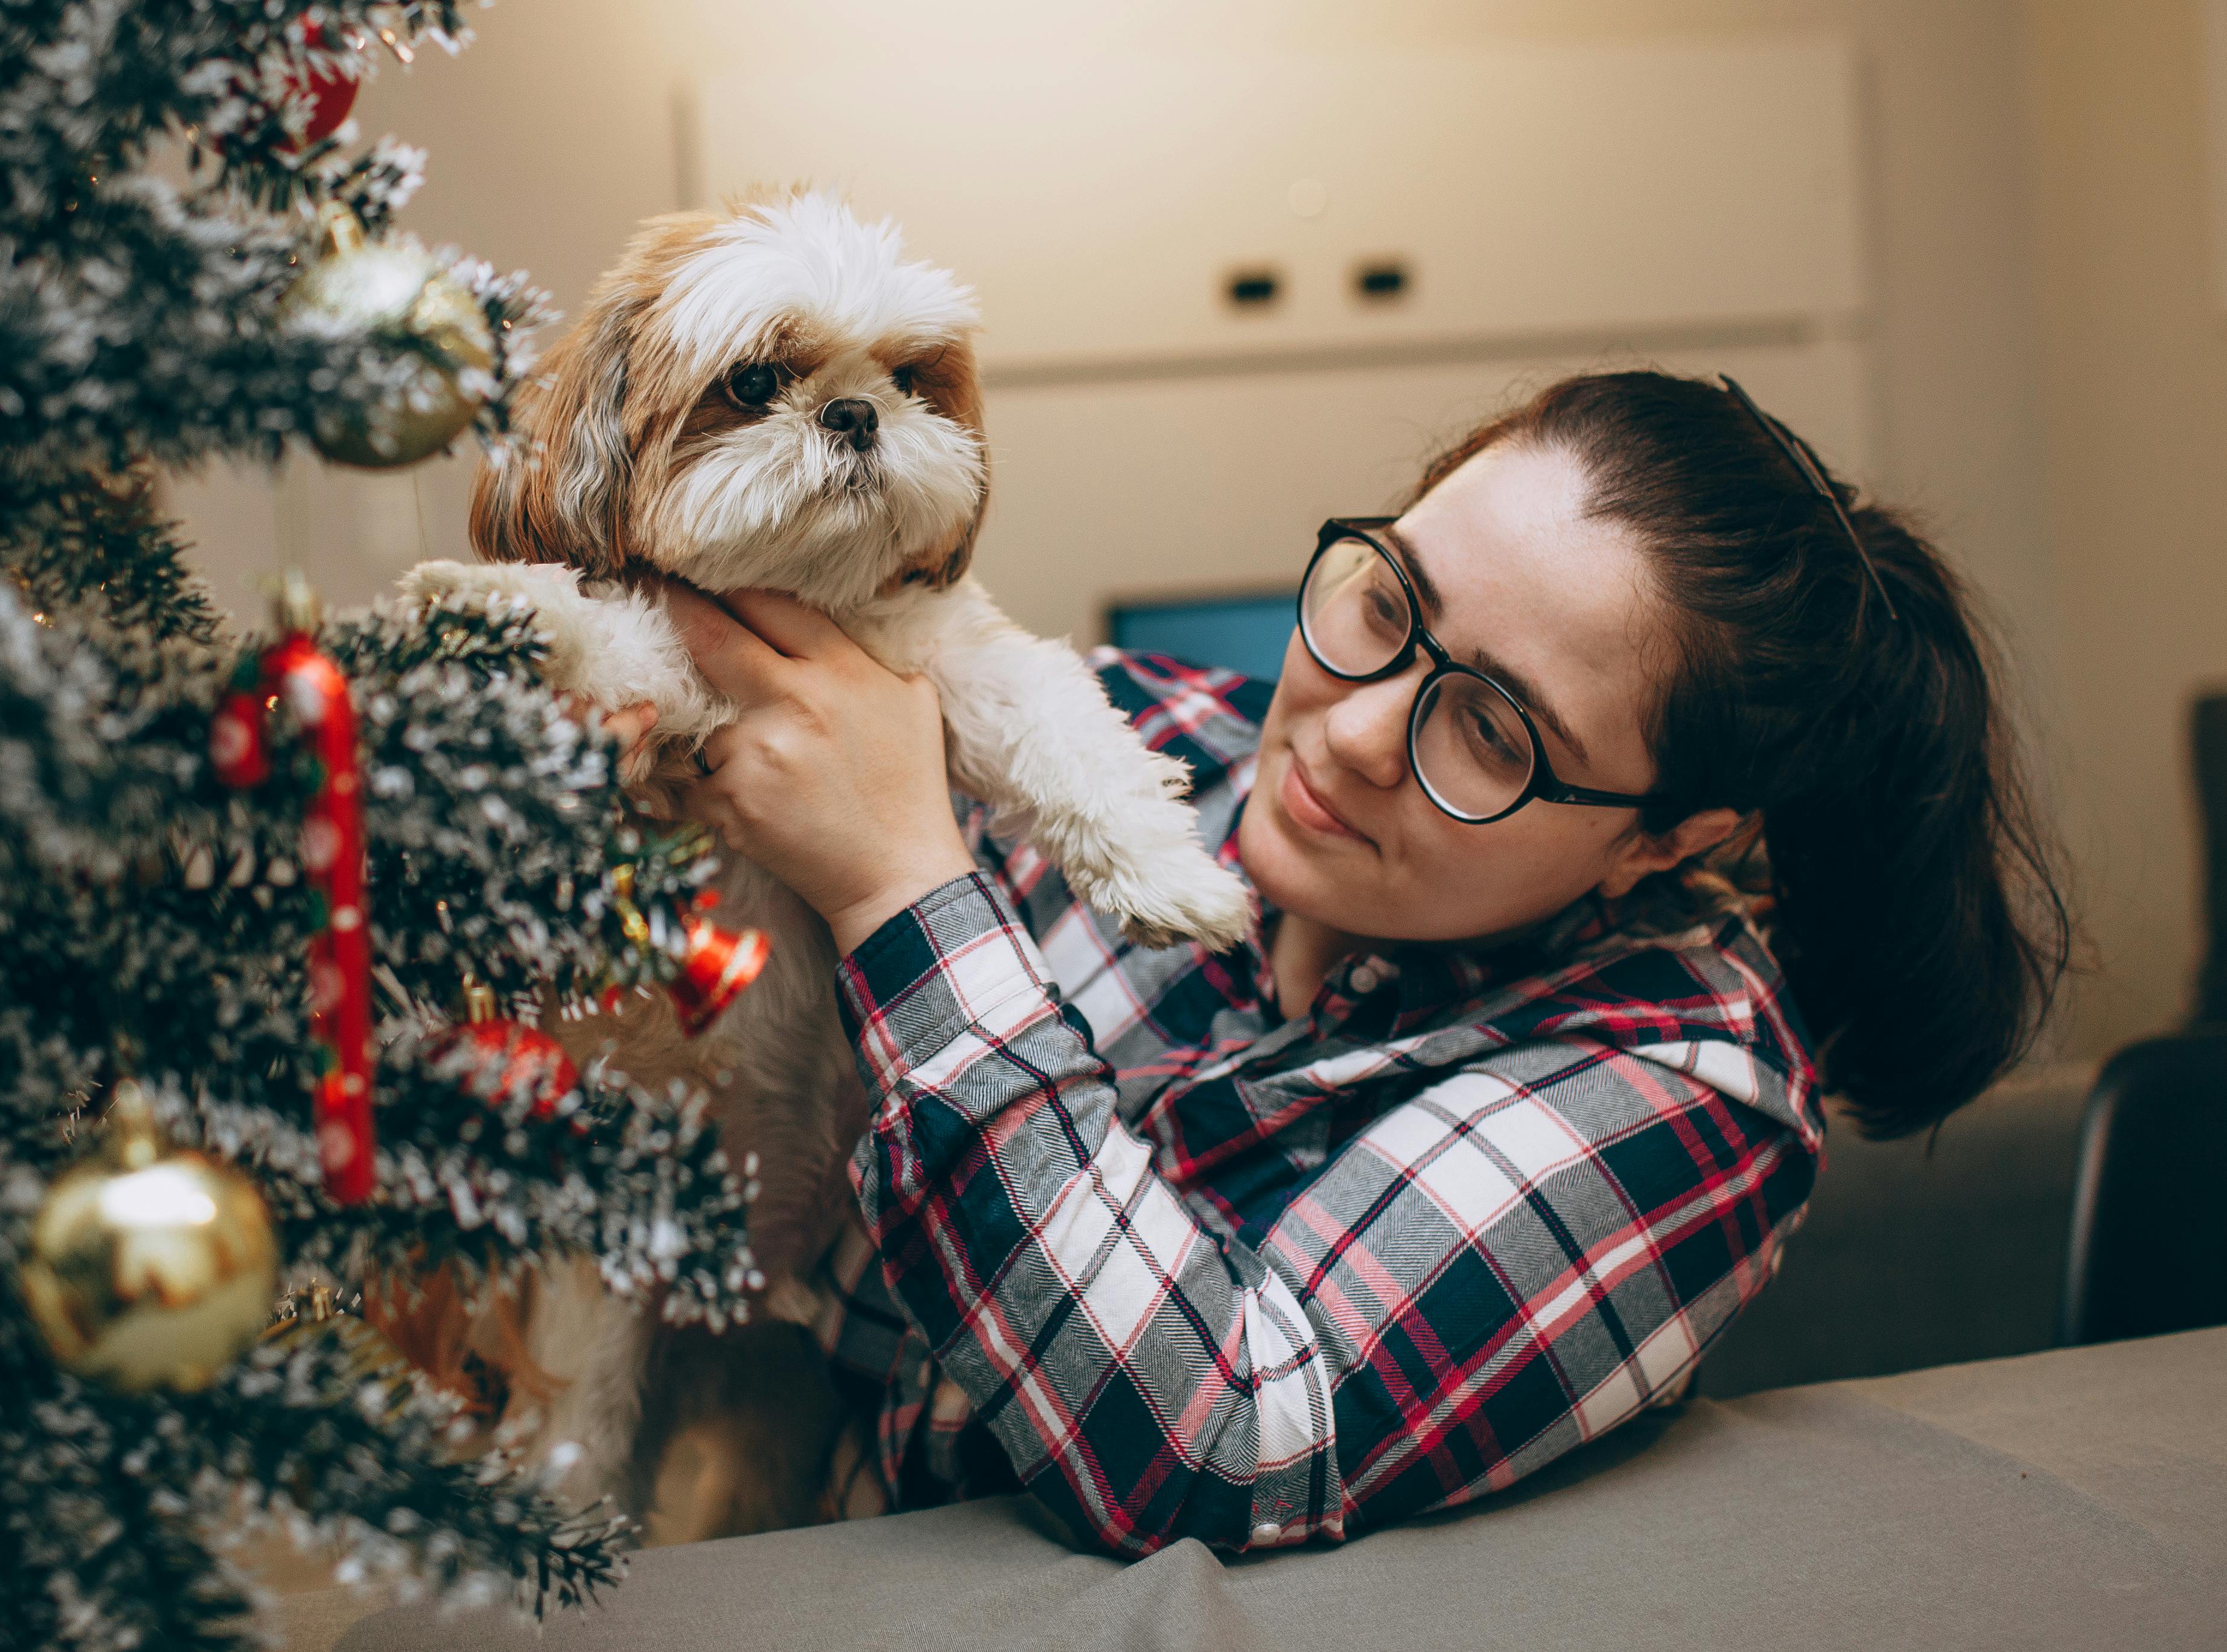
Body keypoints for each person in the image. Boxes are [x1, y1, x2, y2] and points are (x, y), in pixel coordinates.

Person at [646, 368, 2070, 1558]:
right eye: (1385, 604)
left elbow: (1225, 1440)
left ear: (1661, 839)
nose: (1347, 734)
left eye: (1495, 735)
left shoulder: (1685, 1080)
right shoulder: (1137, 745)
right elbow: (709, 1021)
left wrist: (901, 887)